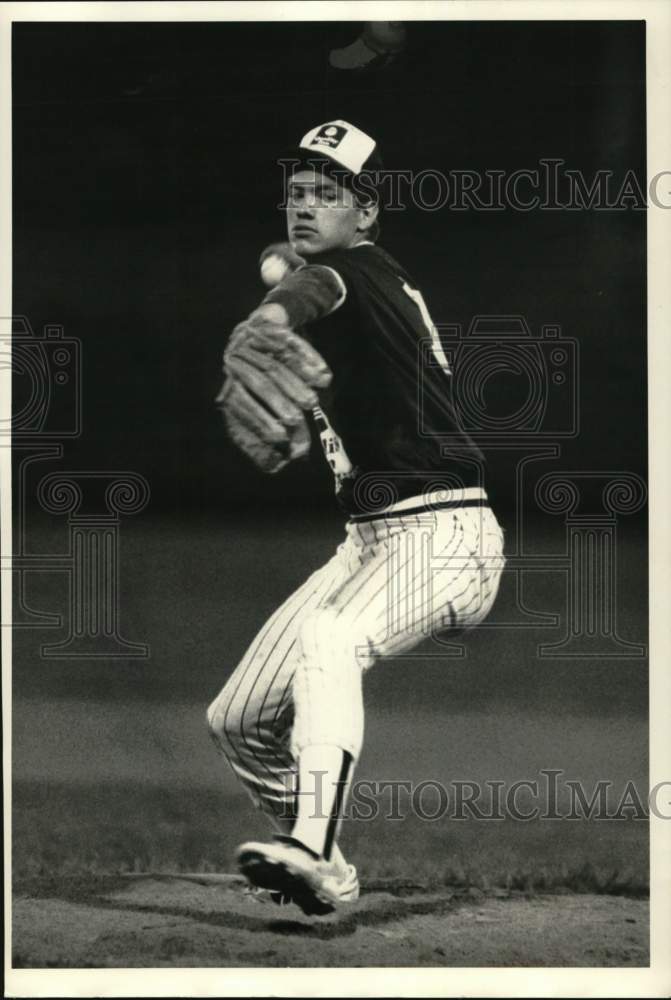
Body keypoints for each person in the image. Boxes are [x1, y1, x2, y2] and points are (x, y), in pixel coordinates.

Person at [207, 120, 505, 916]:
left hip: (447, 536)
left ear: (366, 214)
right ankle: (324, 865)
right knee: (235, 720)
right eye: (296, 193)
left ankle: (306, 839)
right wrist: (280, 293)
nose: (305, 205)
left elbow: (313, 287)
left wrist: (268, 318)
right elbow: (297, 281)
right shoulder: (336, 277)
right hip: (369, 544)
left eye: (327, 194)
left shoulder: (359, 269)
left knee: (328, 638)